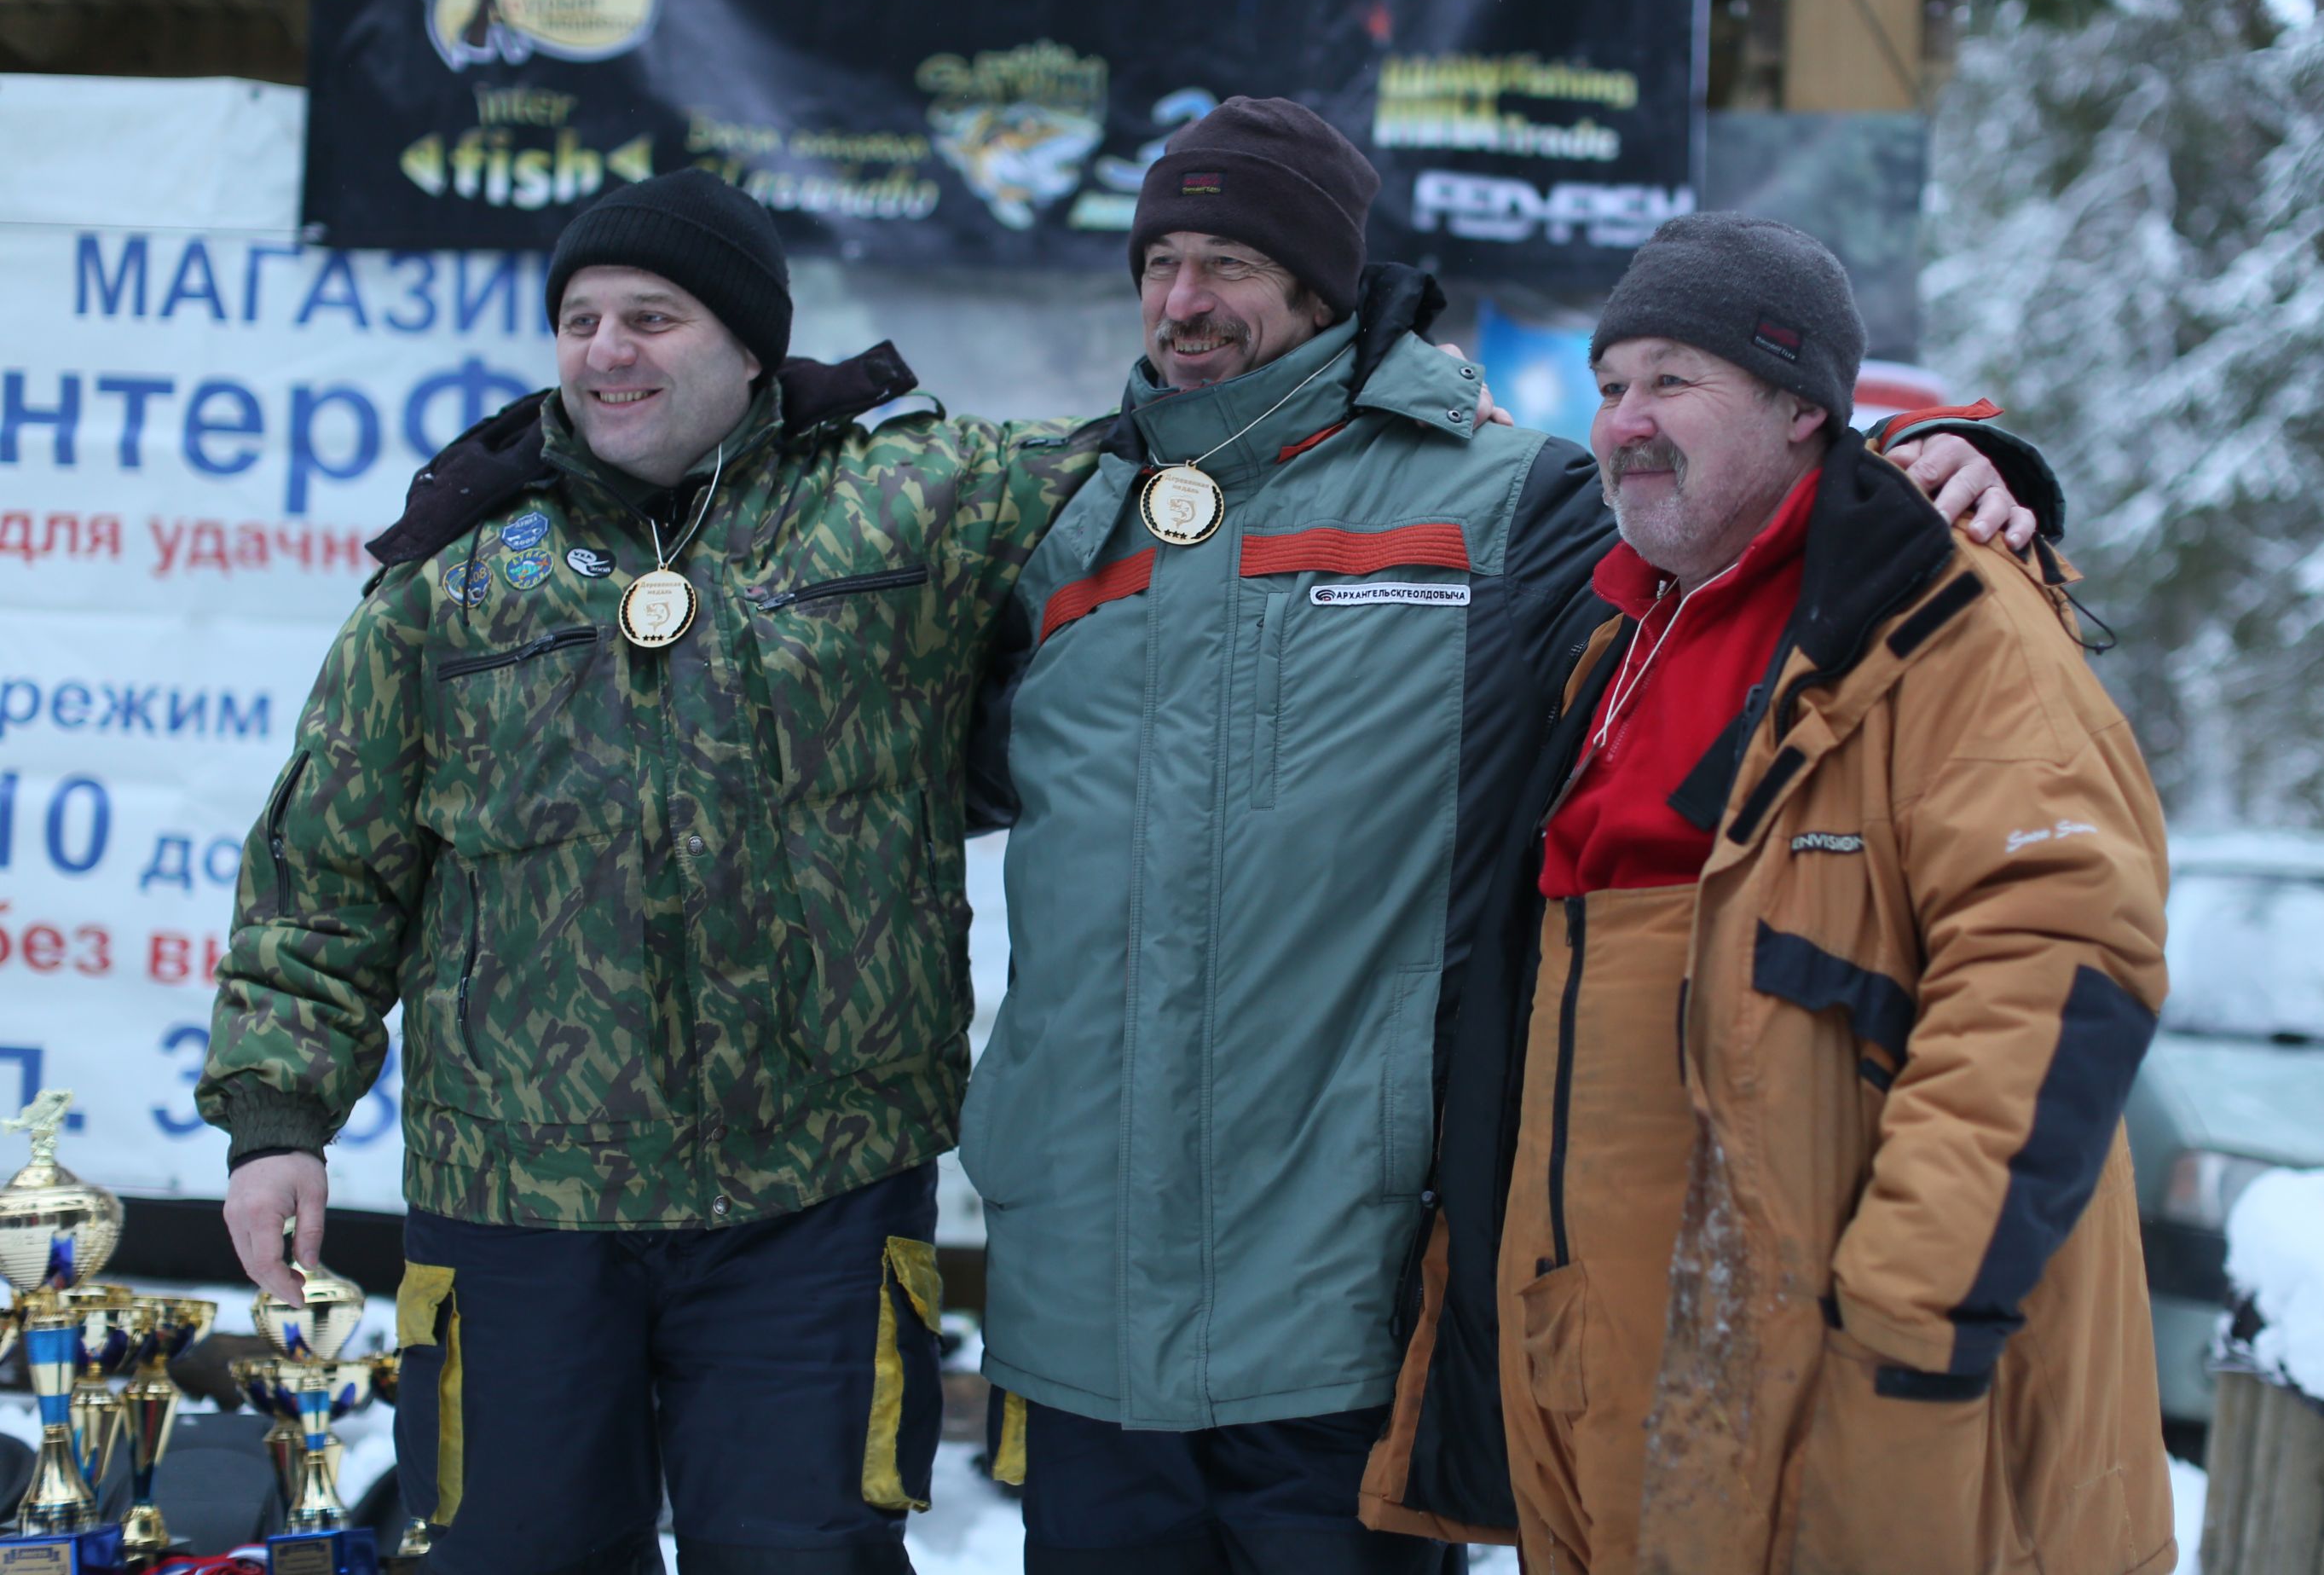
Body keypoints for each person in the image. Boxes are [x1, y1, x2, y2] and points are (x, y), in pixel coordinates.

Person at [958, 103, 2056, 1574]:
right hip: (1079, 1296)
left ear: (1321, 283)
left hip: (1341, 1300)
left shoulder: (1509, 505)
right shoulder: (1065, 517)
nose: (1182, 301)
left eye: (1228, 263)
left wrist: (1942, 460)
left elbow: (1743, 535)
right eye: (1159, 262)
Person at [198, 169, 1104, 1575]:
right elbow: (324, 875)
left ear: (750, 345)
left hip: (814, 1194)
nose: (606, 351)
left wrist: (1375, 417)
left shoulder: (909, 502)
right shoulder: (454, 579)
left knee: (807, 1561)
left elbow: (1165, 465)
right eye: (580, 320)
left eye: (652, 317)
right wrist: (276, 1118)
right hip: (518, 1206)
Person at [1365, 214, 2175, 1575]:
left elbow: (2055, 967)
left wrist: (1912, 1327)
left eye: (1674, 379)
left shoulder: (1937, 614)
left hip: (1849, 1404)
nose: (1625, 421)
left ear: (1805, 408)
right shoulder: (1613, 632)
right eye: (1611, 385)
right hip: (1613, 1398)